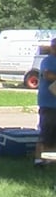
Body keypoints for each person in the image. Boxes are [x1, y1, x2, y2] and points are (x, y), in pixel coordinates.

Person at [36, 38, 56, 167]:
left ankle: (51, 161)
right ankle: (39, 161)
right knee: (46, 135)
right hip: (48, 104)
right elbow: (48, 75)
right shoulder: (47, 60)